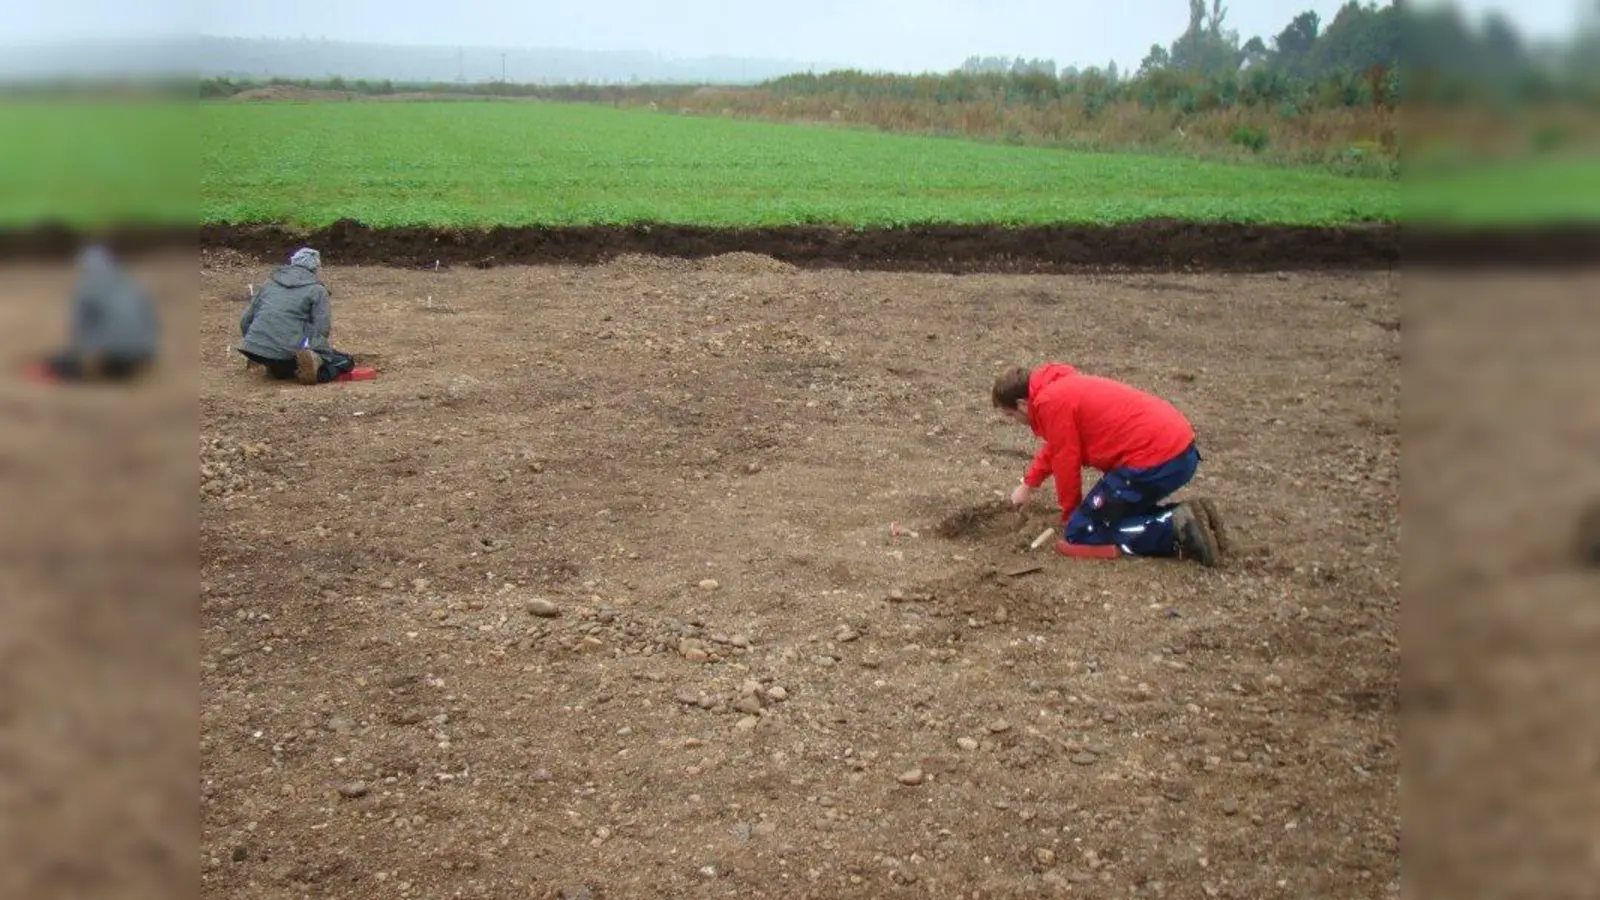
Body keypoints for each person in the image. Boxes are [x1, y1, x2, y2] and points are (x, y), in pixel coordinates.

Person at [992, 362, 1226, 566]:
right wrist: (1028, 484)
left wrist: (1072, 517)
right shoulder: (1058, 388)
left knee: (1083, 531)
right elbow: (1057, 445)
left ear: (1022, 404)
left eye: (1010, 415)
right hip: (1180, 451)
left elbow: (1066, 463)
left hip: (1155, 462)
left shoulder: (1051, 403)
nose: (1015, 421)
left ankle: (1175, 529)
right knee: (1109, 511)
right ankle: (1188, 515)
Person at [39, 245, 160, 381]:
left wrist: (80, 354)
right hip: (142, 354)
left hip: (109, 357)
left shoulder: (85, 290)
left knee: (62, 362)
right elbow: (151, 321)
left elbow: (79, 329)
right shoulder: (134, 285)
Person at [237, 247, 356, 385]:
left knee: (281, 366)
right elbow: (321, 330)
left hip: (253, 350)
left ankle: (276, 368)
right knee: (345, 361)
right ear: (316, 268)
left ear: (292, 262)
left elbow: (245, 321)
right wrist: (321, 355)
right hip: (286, 352)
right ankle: (313, 372)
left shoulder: (269, 283)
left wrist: (256, 344)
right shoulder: (317, 290)